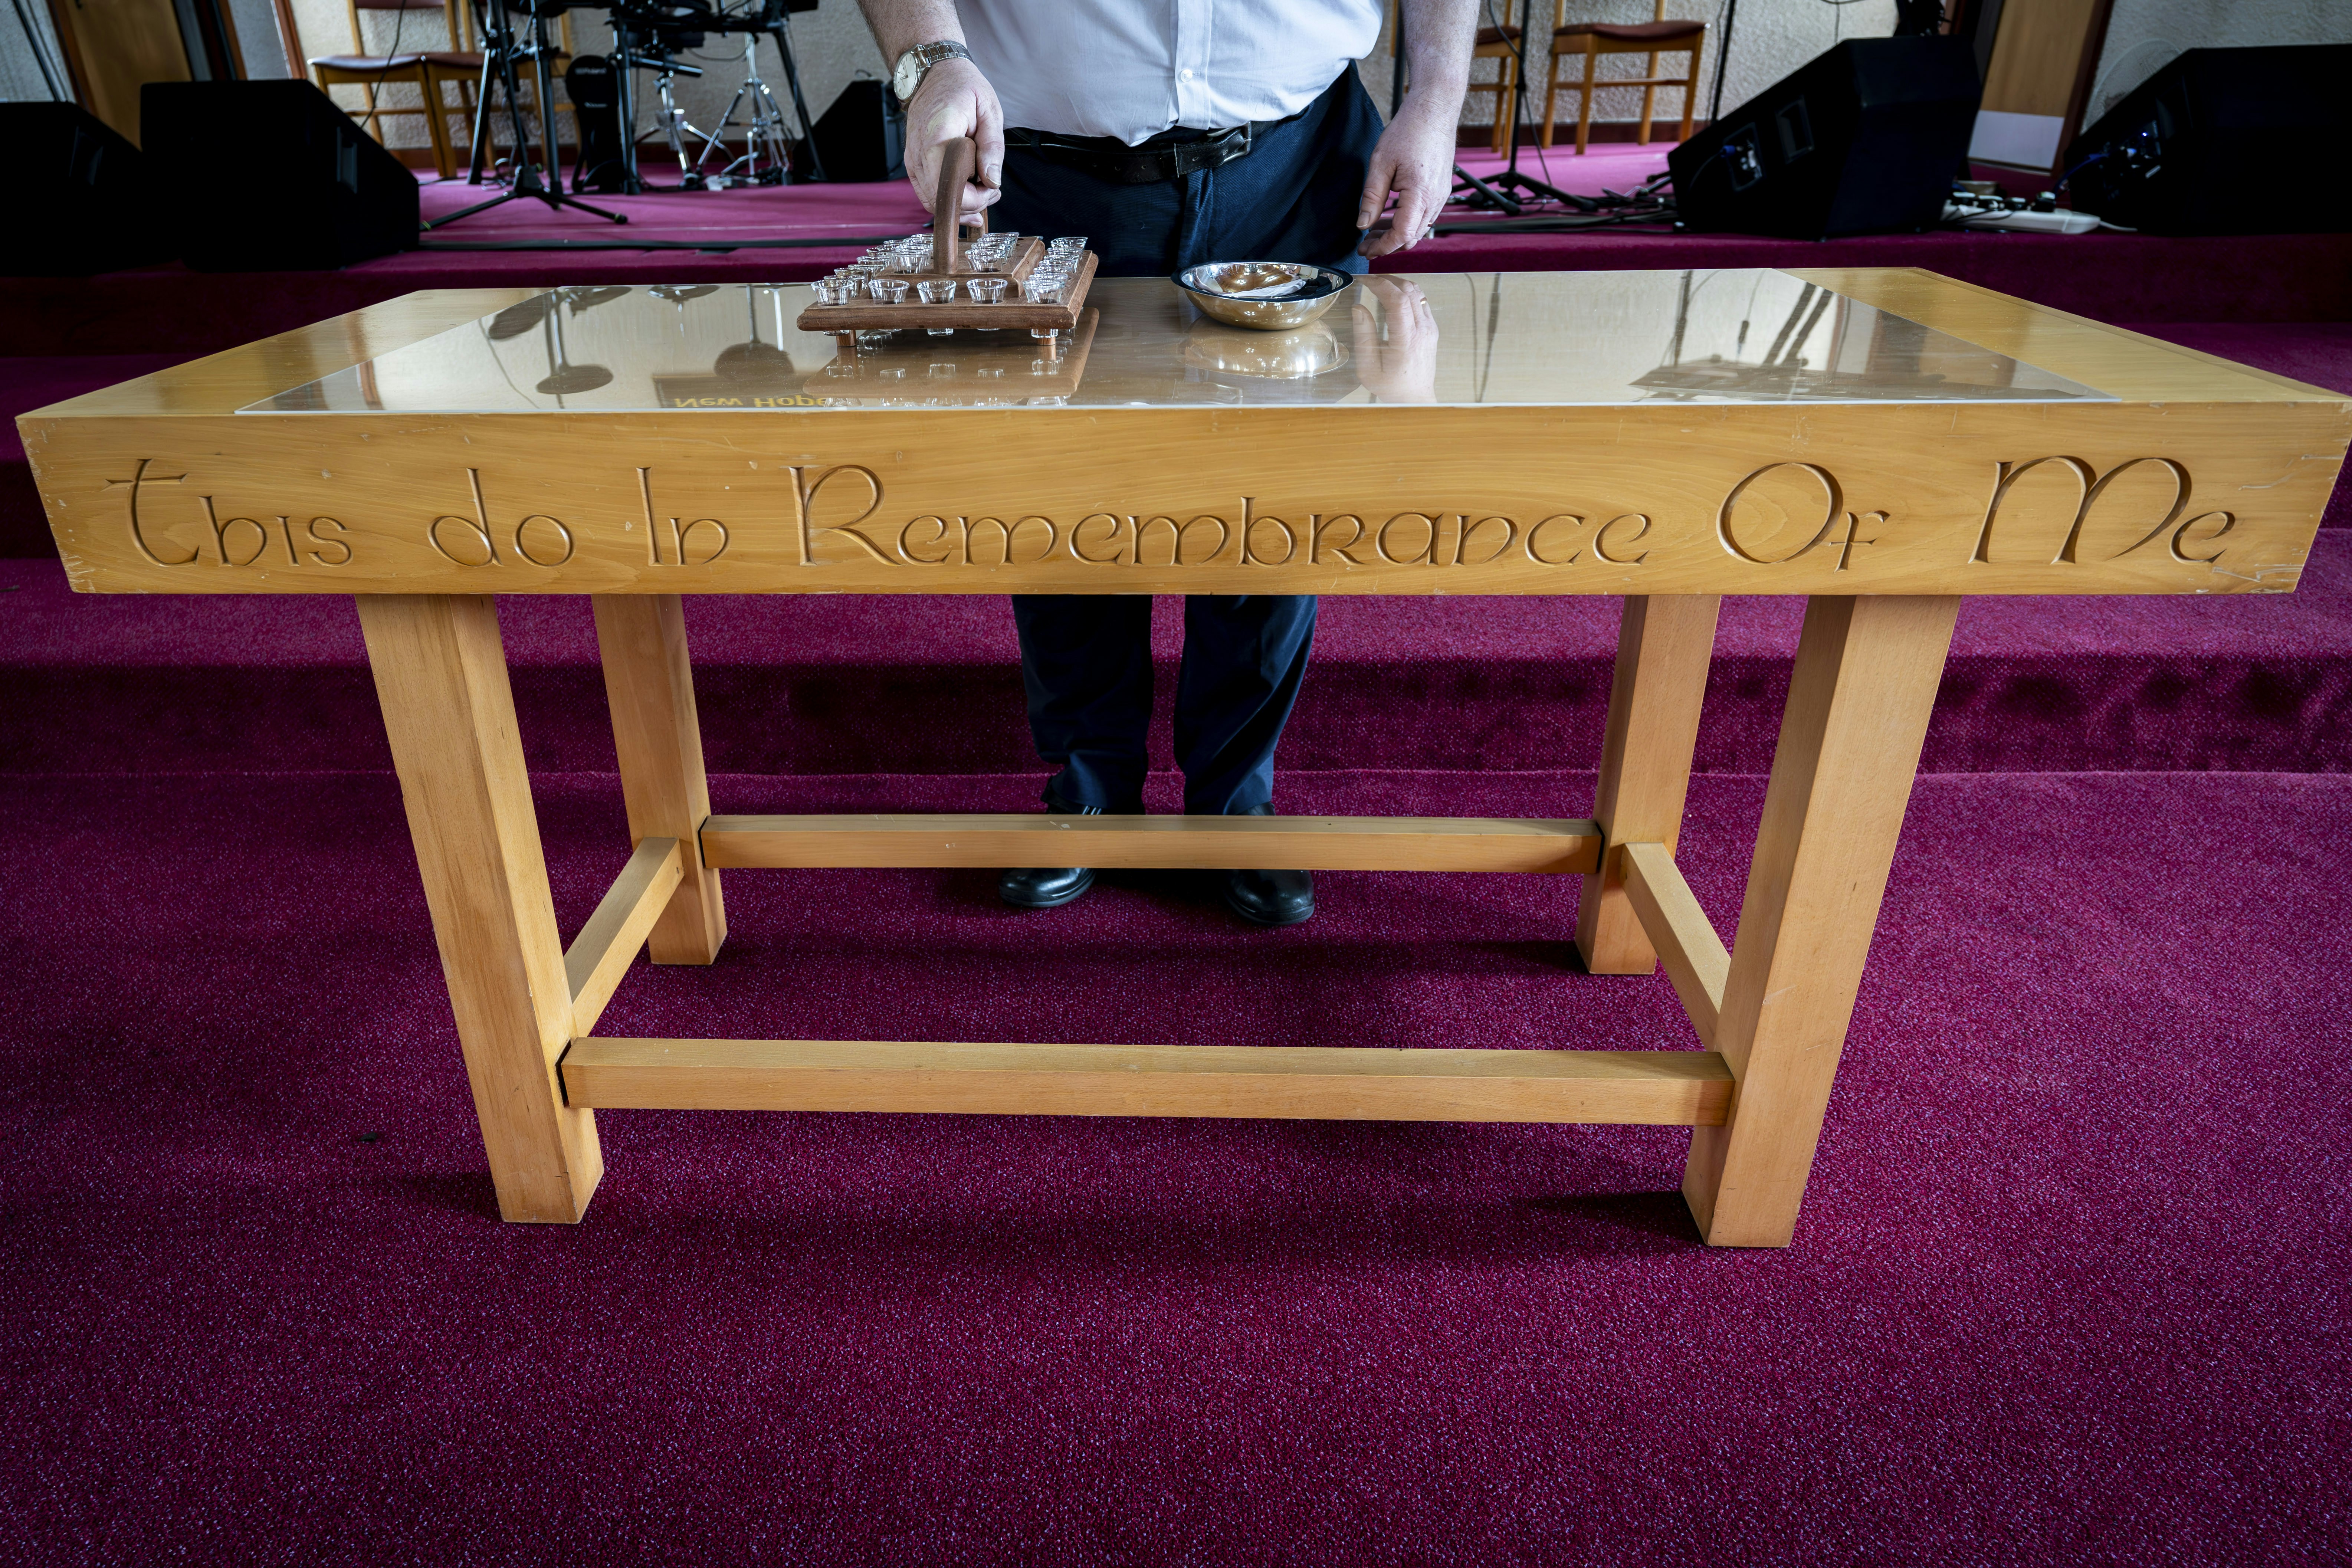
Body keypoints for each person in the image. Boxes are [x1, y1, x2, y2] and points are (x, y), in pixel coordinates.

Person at [857, 0, 1474, 925]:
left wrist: (1435, 97)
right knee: (1064, 494)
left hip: (1297, 162)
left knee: (1272, 502)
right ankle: (1088, 789)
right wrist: (928, 59)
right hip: (1046, 168)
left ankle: (1234, 802)